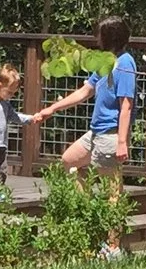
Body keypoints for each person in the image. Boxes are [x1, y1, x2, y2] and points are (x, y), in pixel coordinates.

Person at [30, 17, 136, 175]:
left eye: (100, 35)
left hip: (111, 134)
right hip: (96, 131)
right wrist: (52, 109)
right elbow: (84, 91)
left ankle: (102, 200)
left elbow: (126, 105)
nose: (97, 39)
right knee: (69, 161)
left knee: (112, 190)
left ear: (110, 38)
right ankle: (84, 199)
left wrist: (122, 142)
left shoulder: (125, 63)